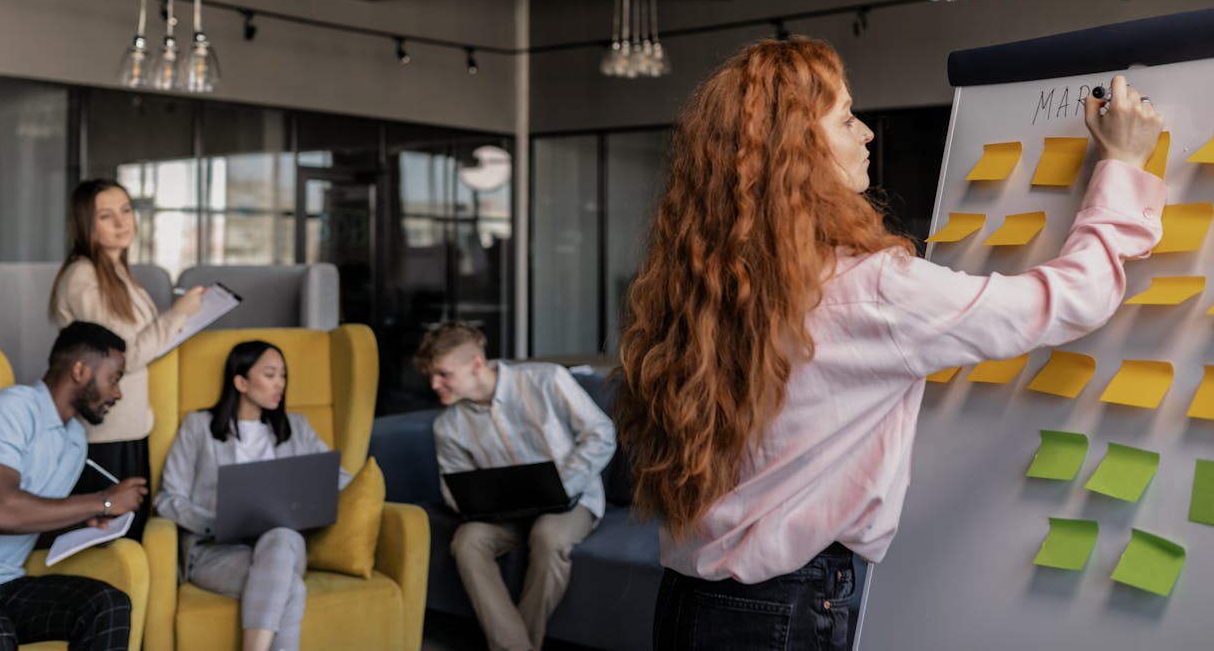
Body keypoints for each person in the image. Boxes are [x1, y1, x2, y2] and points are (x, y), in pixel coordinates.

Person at [614, 38, 1166, 651]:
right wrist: (1125, 166)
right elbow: (1071, 300)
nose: (867, 134)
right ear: (797, 150)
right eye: (846, 118)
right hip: (781, 609)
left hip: (690, 600)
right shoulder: (870, 290)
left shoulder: (708, 284)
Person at [0, 321, 147, 651]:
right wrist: (101, 501)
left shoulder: (74, 440)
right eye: (114, 378)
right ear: (80, 370)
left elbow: (27, 522)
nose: (117, 393)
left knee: (107, 604)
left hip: (2, 583)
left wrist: (84, 525)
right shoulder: (9, 409)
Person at [415, 321, 616, 651]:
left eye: (443, 374)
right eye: (431, 375)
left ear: (476, 364)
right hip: (503, 513)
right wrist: (476, 501)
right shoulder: (447, 426)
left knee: (548, 537)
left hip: (571, 500)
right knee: (466, 541)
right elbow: (453, 491)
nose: (435, 384)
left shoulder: (546, 379)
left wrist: (562, 484)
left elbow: (602, 434)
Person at [155, 340, 349, 651]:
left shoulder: (297, 427)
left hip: (283, 546)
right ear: (241, 382)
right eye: (270, 375)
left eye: (283, 375)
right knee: (292, 589)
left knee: (283, 535)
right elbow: (167, 498)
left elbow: (338, 477)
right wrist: (214, 522)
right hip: (216, 552)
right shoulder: (198, 426)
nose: (280, 384)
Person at [49, 177, 205, 541]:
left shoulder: (120, 274)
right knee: (113, 544)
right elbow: (118, 360)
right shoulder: (83, 276)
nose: (123, 223)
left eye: (126, 210)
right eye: (107, 215)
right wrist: (178, 314)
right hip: (105, 434)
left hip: (131, 427)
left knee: (133, 539)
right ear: (86, 223)